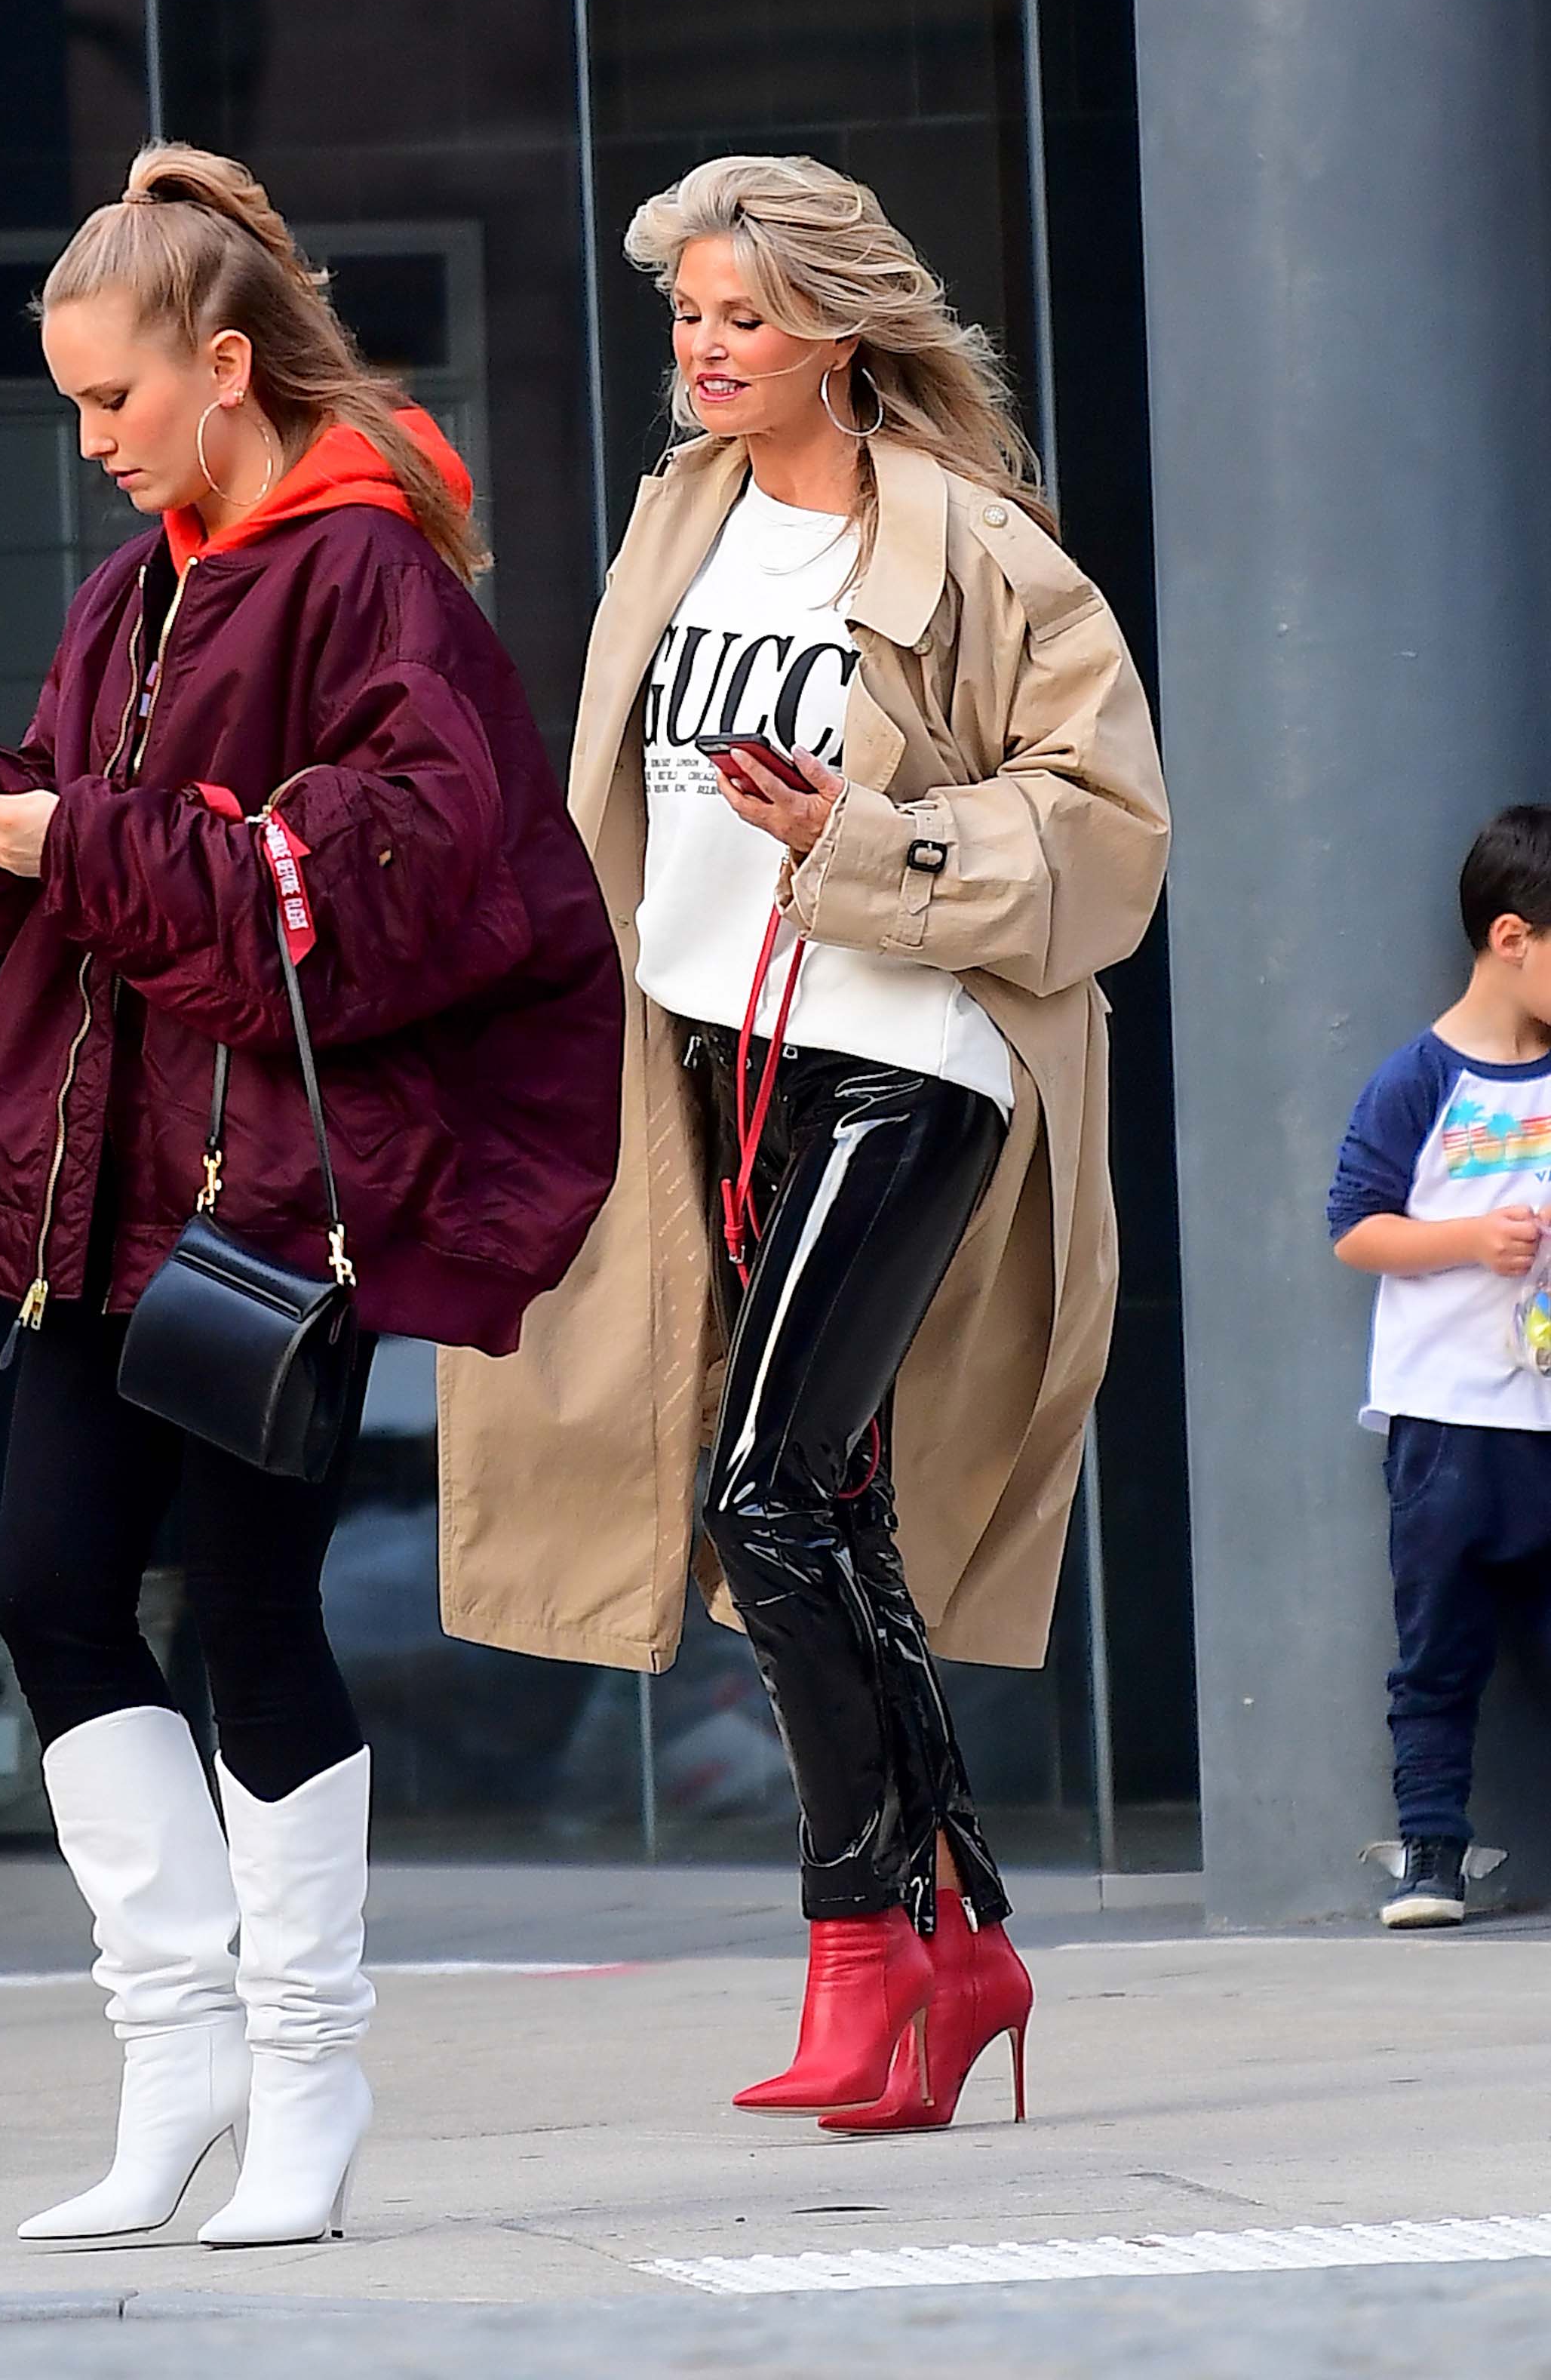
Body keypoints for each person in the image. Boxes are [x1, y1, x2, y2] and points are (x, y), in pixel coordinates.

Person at [0, 143, 622, 2246]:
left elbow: (410, 878)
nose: (95, 445)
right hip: (102, 1183)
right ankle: (181, 2050)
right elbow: (97, 865)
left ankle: (307, 2069)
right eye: (75, 408)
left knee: (250, 1612)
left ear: (224, 367)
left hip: (260, 1192)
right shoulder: (141, 587)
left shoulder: (365, 572)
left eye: (112, 401)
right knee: (47, 1587)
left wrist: (80, 849)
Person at [439, 155, 1168, 2132]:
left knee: (763, 1498)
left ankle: (864, 1950)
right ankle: (961, 1942)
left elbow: (1109, 844)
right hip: (713, 1065)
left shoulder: (986, 557)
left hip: (909, 1047)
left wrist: (855, 840)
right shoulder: (681, 525)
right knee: (822, 1513)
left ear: (837, 330)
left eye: (741, 318)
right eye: (685, 317)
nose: (702, 352)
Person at [1328, 806, 1551, 1929]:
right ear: (1513, 938)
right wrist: (1469, 1240)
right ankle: (1431, 1858)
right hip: (1447, 1418)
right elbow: (1355, 1228)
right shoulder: (1418, 1080)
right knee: (1437, 1652)